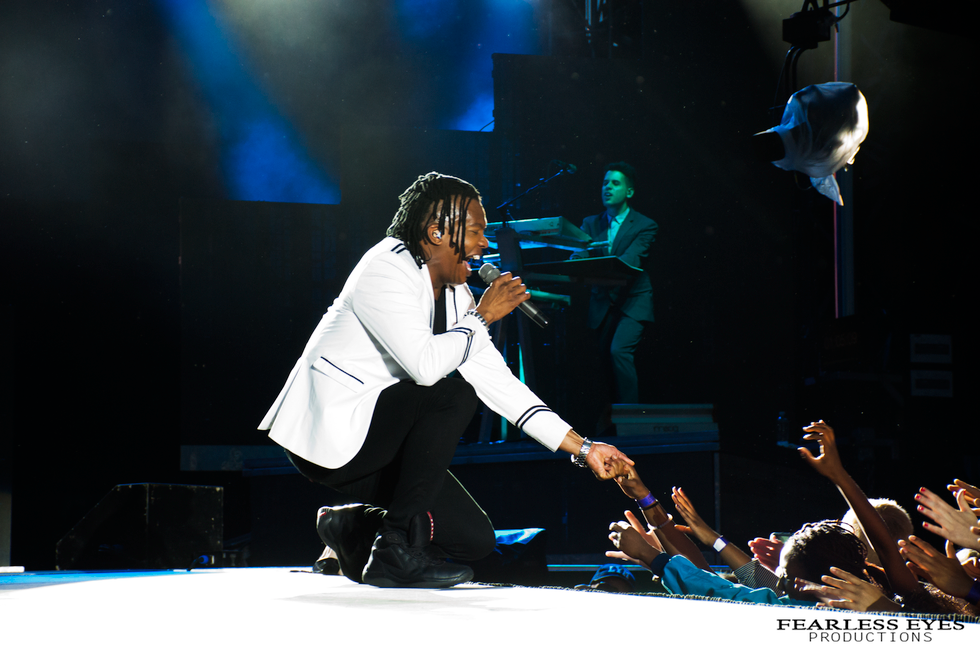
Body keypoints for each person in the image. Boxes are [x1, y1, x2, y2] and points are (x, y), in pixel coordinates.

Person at [258, 172, 634, 589]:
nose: (484, 244)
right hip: (329, 431)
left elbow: (501, 385)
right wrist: (483, 317)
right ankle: (392, 549)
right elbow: (424, 366)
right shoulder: (386, 266)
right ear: (436, 232)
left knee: (475, 539)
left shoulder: (457, 297)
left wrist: (585, 448)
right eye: (475, 232)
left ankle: (345, 526)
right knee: (453, 394)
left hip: (378, 440)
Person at [571, 162, 657, 410]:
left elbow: (629, 262)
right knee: (601, 364)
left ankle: (631, 418)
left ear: (629, 191)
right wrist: (575, 258)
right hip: (602, 304)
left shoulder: (645, 225)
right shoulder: (590, 223)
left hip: (632, 302)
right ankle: (609, 420)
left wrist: (590, 262)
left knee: (619, 351)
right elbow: (579, 255)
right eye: (605, 182)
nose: (607, 187)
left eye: (615, 183)